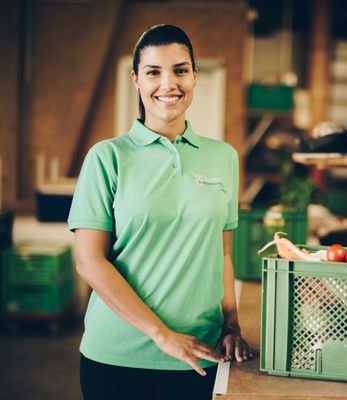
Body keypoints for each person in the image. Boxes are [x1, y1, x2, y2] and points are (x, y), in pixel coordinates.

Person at [68, 24, 252, 400]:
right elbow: (89, 262)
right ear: (136, 79)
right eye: (153, 72)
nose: (169, 83)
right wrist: (163, 336)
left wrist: (231, 324)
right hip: (118, 359)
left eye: (180, 70)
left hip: (201, 355)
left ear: (195, 77)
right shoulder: (108, 158)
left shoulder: (224, 157)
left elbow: (223, 253)